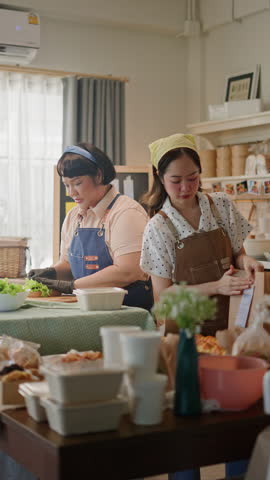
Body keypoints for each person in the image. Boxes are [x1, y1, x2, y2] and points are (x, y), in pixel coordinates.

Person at [140, 133, 263, 480]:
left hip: (231, 328)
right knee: (188, 426)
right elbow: (163, 301)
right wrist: (216, 286)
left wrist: (248, 260)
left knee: (238, 419)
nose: (185, 187)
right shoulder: (157, 228)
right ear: (160, 179)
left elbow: (238, 250)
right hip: (185, 337)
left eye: (192, 177)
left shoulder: (220, 205)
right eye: (175, 180)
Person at [28, 142, 153, 311]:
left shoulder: (126, 213)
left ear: (99, 176)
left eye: (77, 183)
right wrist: (51, 273)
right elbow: (69, 264)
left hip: (125, 312)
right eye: (66, 185)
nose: (71, 192)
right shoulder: (74, 216)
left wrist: (72, 286)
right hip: (88, 309)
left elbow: (128, 271)